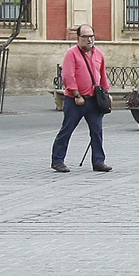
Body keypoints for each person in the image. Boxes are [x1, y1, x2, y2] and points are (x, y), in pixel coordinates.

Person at [52, 24, 111, 173]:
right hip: (75, 100)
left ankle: (98, 161)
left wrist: (106, 93)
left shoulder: (99, 54)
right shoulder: (72, 54)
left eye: (91, 36)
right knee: (67, 129)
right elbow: (68, 76)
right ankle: (57, 160)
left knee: (97, 131)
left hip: (93, 100)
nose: (89, 39)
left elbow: (102, 75)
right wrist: (76, 94)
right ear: (78, 38)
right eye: (85, 37)